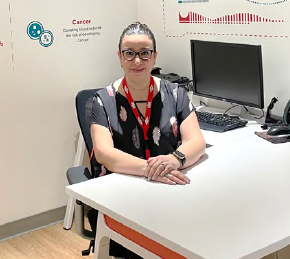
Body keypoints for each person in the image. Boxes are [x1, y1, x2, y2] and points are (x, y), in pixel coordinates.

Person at [86, 22, 206, 258]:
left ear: (154, 56)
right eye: (129, 54)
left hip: (171, 193)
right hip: (124, 198)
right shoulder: (102, 101)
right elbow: (104, 154)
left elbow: (197, 141)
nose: (137, 61)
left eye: (144, 53)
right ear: (120, 57)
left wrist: (175, 160)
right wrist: (153, 170)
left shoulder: (175, 94)